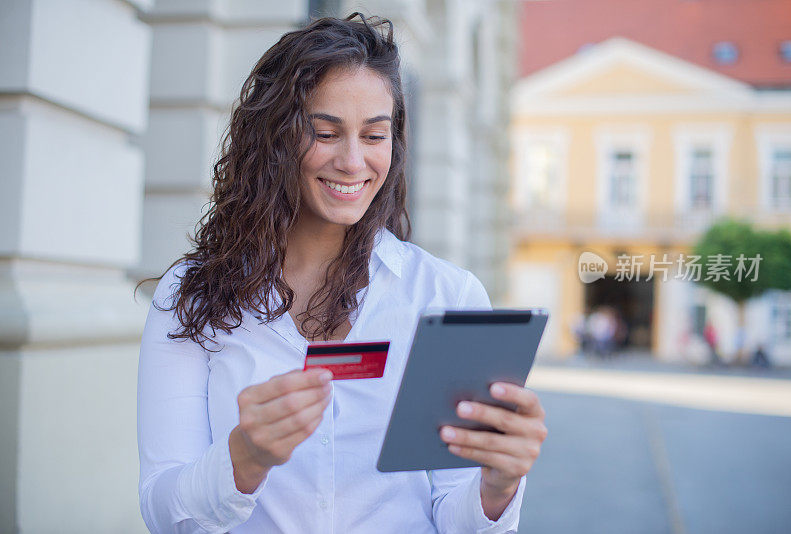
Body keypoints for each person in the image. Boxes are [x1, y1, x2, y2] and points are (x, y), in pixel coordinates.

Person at [136, 13, 547, 533]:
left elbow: (456, 517)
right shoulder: (190, 298)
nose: (353, 162)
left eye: (374, 135)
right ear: (275, 138)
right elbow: (161, 512)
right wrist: (243, 459)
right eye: (326, 132)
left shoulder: (445, 296)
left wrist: (497, 486)